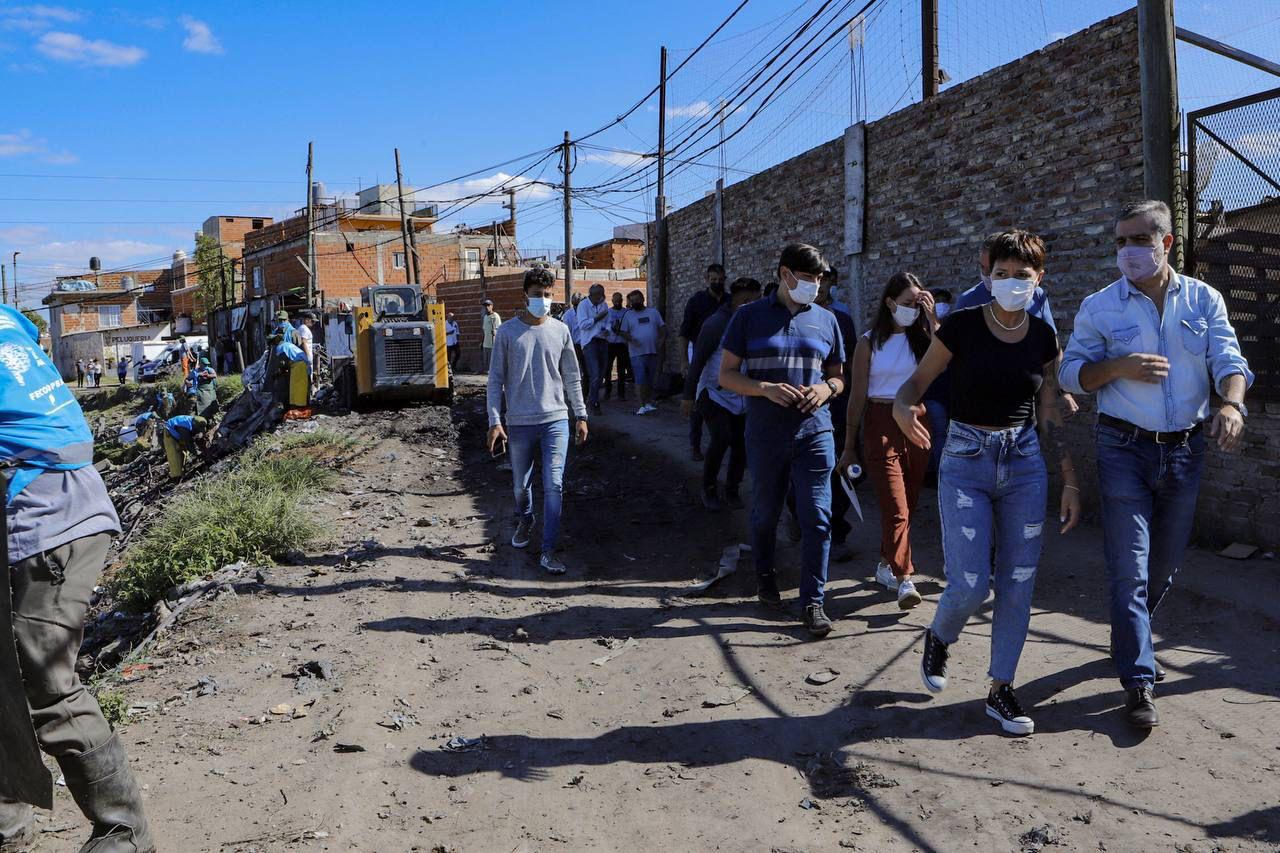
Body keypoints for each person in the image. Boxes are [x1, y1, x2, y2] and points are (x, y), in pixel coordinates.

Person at [1059, 200, 1252, 729]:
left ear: (1166, 243)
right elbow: (1071, 374)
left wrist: (1230, 403)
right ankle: (1139, 680)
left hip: (1187, 449)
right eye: (1119, 242)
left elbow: (1230, 362)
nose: (1127, 251)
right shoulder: (1101, 306)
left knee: (1162, 566)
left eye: (1137, 240)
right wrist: (1117, 366)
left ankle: (1130, 638)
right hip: (1123, 447)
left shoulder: (1203, 298)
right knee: (1130, 566)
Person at [891, 230, 1081, 736]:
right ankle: (940, 634)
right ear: (986, 273)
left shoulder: (1044, 336)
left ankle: (1001, 688)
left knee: (1019, 583)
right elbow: (918, 382)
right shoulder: (961, 326)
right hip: (966, 460)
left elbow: (1052, 411)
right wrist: (901, 403)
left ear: (1039, 278)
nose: (1012, 283)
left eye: (1023, 275)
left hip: (1023, 463)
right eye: (1003, 274)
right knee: (971, 583)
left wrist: (1068, 479)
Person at [0, 305, 155, 852]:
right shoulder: (5, 318)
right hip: (55, 503)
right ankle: (9, 825)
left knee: (44, 678)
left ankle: (124, 830)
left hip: (46, 516)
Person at [719, 243, 846, 638]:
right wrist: (764, 388)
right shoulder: (747, 317)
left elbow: (839, 375)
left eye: (819, 279)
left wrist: (827, 390)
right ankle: (765, 576)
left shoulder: (827, 320)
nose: (815, 285)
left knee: (817, 517)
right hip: (765, 432)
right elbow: (726, 375)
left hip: (815, 432)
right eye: (808, 278)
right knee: (765, 512)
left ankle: (813, 601)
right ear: (784, 273)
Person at [837, 272, 936, 610]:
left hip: (916, 420)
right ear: (890, 302)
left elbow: (947, 362)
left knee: (908, 503)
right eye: (907, 303)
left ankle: (885, 565)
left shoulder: (922, 337)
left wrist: (933, 318)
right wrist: (850, 445)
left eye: (917, 303)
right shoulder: (868, 342)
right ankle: (905, 578)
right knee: (896, 506)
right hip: (880, 422)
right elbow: (856, 396)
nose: (912, 309)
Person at [486, 266, 589, 575]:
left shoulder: (561, 331)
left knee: (555, 485)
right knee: (521, 486)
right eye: (536, 295)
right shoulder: (507, 332)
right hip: (518, 422)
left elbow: (572, 376)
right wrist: (494, 420)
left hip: (556, 420)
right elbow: (494, 380)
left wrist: (581, 414)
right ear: (524, 295)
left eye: (547, 295)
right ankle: (526, 518)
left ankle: (548, 550)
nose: (542, 300)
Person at [955, 232, 1078, 417]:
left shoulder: (1035, 295)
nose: (988, 276)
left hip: (1028, 403)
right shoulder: (968, 301)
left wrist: (1062, 391)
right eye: (984, 269)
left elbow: (1052, 348)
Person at [682, 277, 761, 511]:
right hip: (714, 394)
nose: (755, 305)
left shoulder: (754, 323)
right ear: (740, 299)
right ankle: (709, 489)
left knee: (741, 444)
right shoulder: (716, 324)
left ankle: (732, 489)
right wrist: (688, 396)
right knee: (722, 437)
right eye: (751, 300)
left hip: (743, 394)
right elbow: (697, 362)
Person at [680, 264, 727, 461]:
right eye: (713, 279)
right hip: (699, 351)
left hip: (725, 352)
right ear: (706, 279)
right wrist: (684, 361)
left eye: (719, 279)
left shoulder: (729, 300)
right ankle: (695, 446)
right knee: (699, 399)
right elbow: (684, 333)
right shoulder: (696, 301)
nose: (716, 283)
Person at [922, 288, 955, 479]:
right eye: (938, 300)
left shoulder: (952, 326)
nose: (942, 304)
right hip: (933, 392)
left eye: (945, 300)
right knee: (939, 434)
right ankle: (941, 475)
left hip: (950, 391)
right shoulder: (924, 332)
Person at [618, 290, 666, 415]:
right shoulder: (628, 315)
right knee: (640, 379)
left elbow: (662, 327)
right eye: (632, 301)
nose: (634, 302)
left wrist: (662, 339)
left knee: (650, 379)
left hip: (653, 351)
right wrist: (631, 339)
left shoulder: (653, 313)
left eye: (636, 300)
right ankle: (641, 405)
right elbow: (622, 332)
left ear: (642, 299)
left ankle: (648, 402)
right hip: (637, 353)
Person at [577, 283, 612, 416]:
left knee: (602, 373)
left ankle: (592, 400)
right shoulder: (583, 305)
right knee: (595, 373)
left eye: (603, 294)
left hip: (603, 340)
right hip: (590, 342)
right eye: (599, 294)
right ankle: (593, 402)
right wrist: (597, 318)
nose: (602, 297)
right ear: (593, 295)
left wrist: (607, 329)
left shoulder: (604, 304)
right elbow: (583, 324)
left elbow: (608, 320)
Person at [604, 291, 632, 401]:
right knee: (608, 369)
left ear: (622, 301)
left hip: (621, 344)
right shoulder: (608, 312)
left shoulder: (626, 313)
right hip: (610, 344)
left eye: (619, 301)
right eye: (615, 301)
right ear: (612, 301)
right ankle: (607, 392)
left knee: (621, 370)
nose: (617, 303)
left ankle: (621, 394)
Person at [162, 414, 210, 479]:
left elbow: (196, 436)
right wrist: (199, 454)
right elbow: (189, 445)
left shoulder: (195, 421)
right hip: (169, 432)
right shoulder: (185, 428)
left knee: (184, 453)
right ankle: (177, 478)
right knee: (174, 456)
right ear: (195, 426)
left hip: (178, 432)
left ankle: (183, 471)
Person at [481, 299, 502, 373]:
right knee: (486, 359)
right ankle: (486, 371)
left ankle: (494, 372)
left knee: (493, 360)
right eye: (485, 306)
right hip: (486, 343)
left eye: (488, 305)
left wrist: (495, 332)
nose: (487, 307)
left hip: (493, 342)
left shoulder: (495, 316)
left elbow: (499, 329)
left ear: (492, 306)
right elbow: (484, 330)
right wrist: (482, 341)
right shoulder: (485, 317)